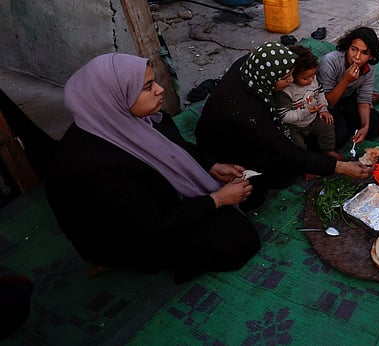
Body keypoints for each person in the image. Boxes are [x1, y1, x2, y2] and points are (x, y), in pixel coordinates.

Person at [45, 53, 260, 283]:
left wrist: (211, 166)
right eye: (148, 87)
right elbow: (148, 228)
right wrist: (216, 200)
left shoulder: (144, 119)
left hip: (155, 202)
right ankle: (115, 262)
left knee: (255, 185)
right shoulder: (99, 168)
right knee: (239, 240)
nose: (160, 90)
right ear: (114, 97)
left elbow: (178, 148)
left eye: (153, 81)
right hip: (128, 237)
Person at [196, 42, 370, 206]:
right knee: (279, 179)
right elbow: (282, 149)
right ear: (269, 79)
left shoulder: (254, 66)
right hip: (223, 149)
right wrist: (339, 167)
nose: (290, 82)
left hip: (252, 129)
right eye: (285, 78)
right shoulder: (248, 113)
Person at [317, 27, 379, 149]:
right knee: (339, 137)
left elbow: (363, 99)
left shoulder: (369, 67)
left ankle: (367, 104)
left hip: (349, 98)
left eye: (365, 53)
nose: (357, 57)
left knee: (373, 127)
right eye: (354, 49)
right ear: (347, 47)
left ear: (371, 56)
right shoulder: (330, 62)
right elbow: (327, 103)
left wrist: (365, 127)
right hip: (328, 102)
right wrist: (345, 80)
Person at [274, 45, 339, 160]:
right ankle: (306, 164)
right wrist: (305, 112)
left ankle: (328, 150)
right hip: (294, 125)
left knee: (328, 125)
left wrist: (323, 109)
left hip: (313, 118)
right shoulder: (286, 90)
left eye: (313, 76)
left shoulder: (313, 79)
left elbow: (319, 92)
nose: (310, 80)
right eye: (305, 78)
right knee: (298, 145)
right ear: (292, 75)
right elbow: (284, 116)